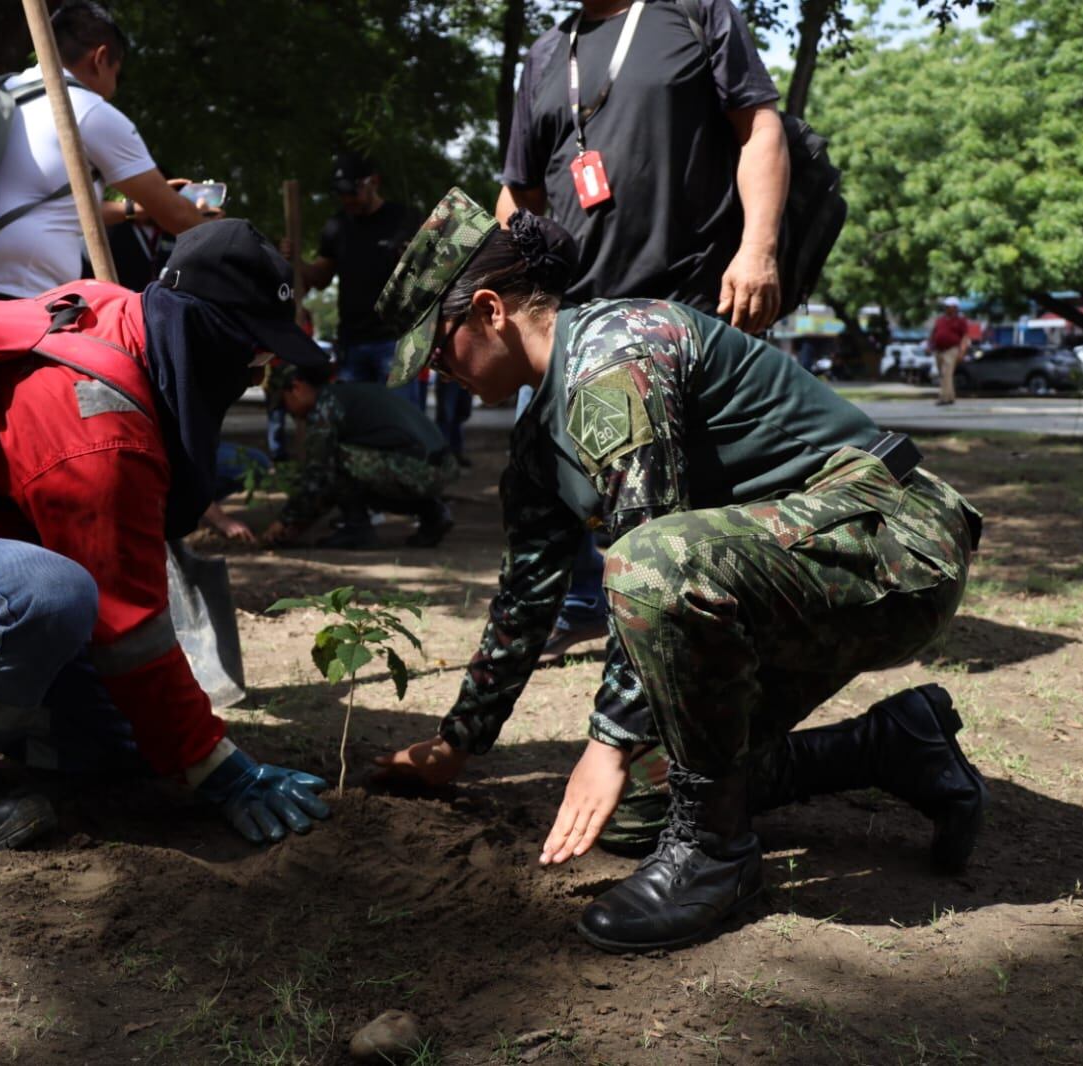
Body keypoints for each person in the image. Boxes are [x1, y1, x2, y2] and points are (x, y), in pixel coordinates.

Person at [373, 190, 987, 952]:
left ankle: (717, 858)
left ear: (490, 310)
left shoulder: (616, 353)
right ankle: (891, 745)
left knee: (647, 569)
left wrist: (604, 742)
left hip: (895, 539)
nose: (437, 372)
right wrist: (455, 744)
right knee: (640, 808)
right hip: (794, 568)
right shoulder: (537, 447)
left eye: (438, 348)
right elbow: (524, 600)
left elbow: (649, 552)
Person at [0, 220, 334, 850]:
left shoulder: (120, 310)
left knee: (113, 749)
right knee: (49, 598)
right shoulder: (104, 433)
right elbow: (128, 633)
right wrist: (219, 769)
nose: (259, 371)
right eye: (257, 354)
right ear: (211, 336)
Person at [499, 0, 791, 672]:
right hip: (570, 325)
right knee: (544, 488)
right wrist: (513, 302)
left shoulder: (695, 13)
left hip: (683, 311)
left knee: (692, 509)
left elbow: (758, 127)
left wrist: (757, 249)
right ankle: (573, 612)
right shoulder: (546, 54)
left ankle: (713, 637)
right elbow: (518, 193)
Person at [0, 0, 212, 300]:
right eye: (116, 75)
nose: (113, 89)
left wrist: (130, 211)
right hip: (13, 297)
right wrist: (221, 233)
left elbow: (48, 203)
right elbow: (178, 217)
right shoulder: (88, 110)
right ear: (101, 57)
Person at [259, 363, 457, 550]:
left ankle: (357, 529)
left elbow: (318, 477)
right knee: (359, 475)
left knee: (335, 459)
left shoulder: (325, 406)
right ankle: (432, 512)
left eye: (285, 405)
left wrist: (285, 520)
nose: (289, 413)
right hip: (439, 466)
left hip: (419, 470)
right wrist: (300, 521)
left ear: (296, 388)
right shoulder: (348, 393)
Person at [293, 152, 425, 406]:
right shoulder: (337, 227)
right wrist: (294, 260)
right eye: (340, 193)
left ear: (373, 182)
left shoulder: (406, 218)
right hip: (352, 344)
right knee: (355, 423)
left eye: (352, 191)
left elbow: (430, 274)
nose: (347, 200)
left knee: (402, 423)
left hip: (395, 342)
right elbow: (320, 279)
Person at [928, 297, 971, 406]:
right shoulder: (940, 320)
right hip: (939, 350)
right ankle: (950, 396)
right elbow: (933, 333)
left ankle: (944, 397)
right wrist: (929, 345)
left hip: (951, 349)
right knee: (942, 374)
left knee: (946, 372)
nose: (946, 308)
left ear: (955, 308)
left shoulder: (960, 320)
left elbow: (965, 337)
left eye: (949, 306)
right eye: (946, 306)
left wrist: (962, 351)